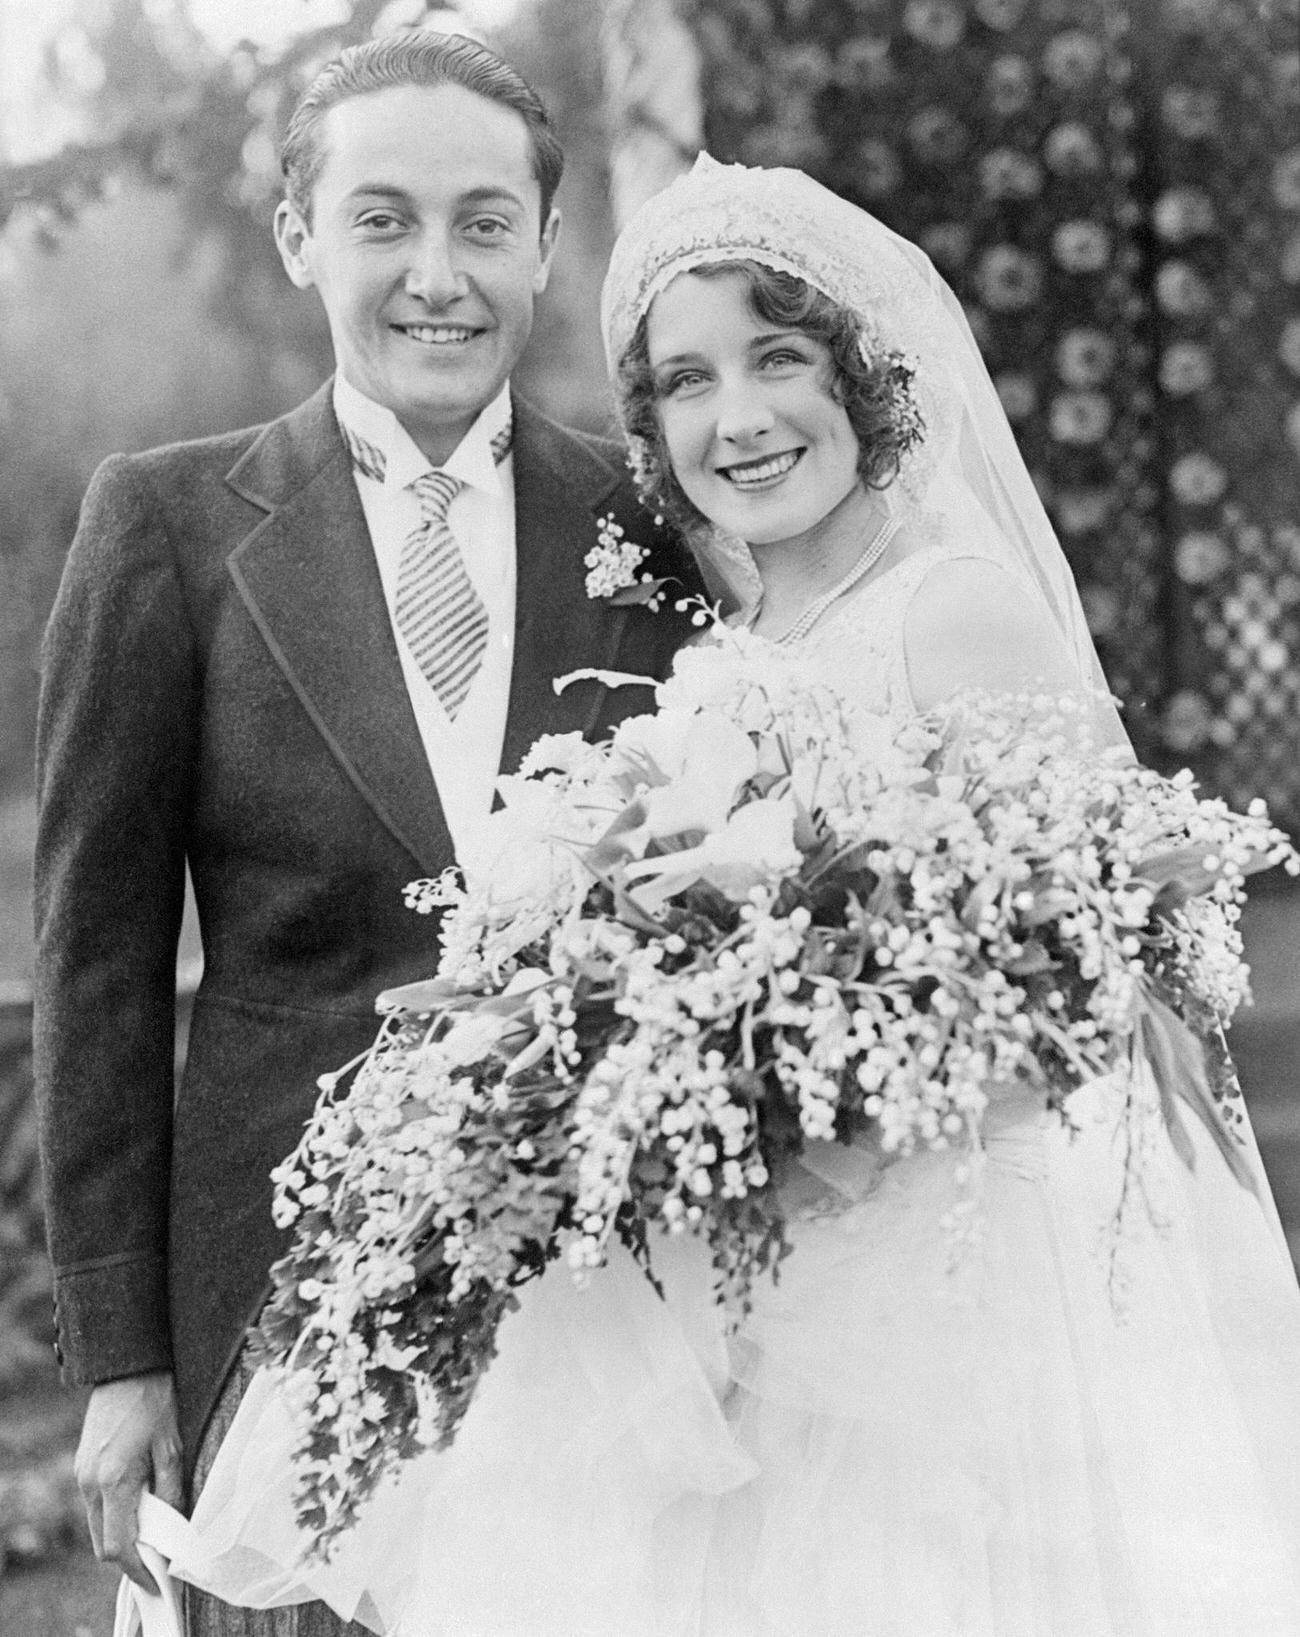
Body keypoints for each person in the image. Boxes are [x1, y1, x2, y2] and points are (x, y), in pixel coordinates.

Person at [128, 159, 1300, 1635]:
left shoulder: (959, 613)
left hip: (953, 1307)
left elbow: (1098, 998)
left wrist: (796, 1092)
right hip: (736, 1292)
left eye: (778, 359)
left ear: (864, 374)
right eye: (687, 382)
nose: (737, 418)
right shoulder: (716, 645)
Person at [33, 31, 690, 1637]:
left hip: (603, 1306)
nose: (437, 275)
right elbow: (97, 961)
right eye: (383, 218)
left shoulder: (654, 526)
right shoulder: (168, 528)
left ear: (545, 241)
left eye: (482, 221)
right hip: (273, 1297)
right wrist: (122, 1358)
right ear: (298, 238)